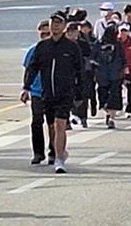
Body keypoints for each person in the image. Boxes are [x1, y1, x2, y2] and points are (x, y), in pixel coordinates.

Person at [21, 12, 84, 174]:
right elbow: (33, 67)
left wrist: (80, 93)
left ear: (64, 26)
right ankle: (58, 150)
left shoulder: (71, 47)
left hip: (65, 93)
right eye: (53, 23)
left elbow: (80, 71)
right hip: (47, 93)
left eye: (58, 23)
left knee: (60, 124)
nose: (55, 26)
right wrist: (26, 87)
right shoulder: (43, 47)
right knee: (51, 126)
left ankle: (59, 159)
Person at [23, 20, 54, 164]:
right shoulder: (33, 50)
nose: (45, 36)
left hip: (53, 91)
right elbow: (28, 70)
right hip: (37, 92)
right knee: (36, 122)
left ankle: (54, 151)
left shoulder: (57, 49)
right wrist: (25, 88)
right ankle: (38, 152)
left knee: (52, 123)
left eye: (47, 33)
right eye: (42, 34)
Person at [94, 25, 125, 130]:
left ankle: (111, 117)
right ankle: (107, 112)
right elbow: (92, 58)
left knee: (114, 96)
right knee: (102, 96)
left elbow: (123, 58)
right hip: (102, 74)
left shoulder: (118, 45)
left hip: (115, 74)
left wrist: (122, 69)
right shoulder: (98, 44)